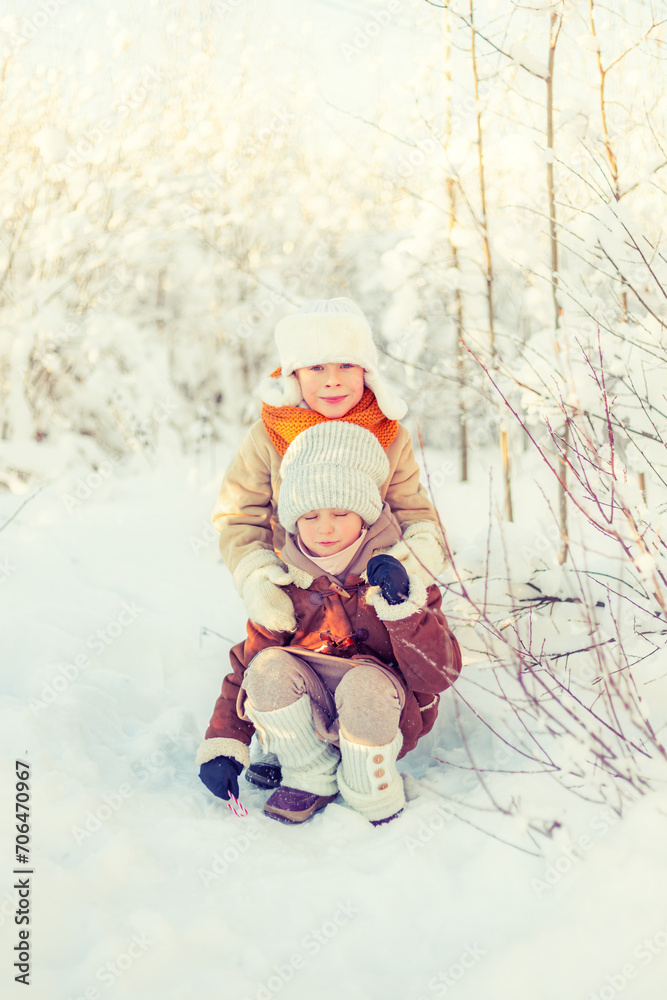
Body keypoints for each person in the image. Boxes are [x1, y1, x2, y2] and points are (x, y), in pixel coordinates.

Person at [211, 297, 450, 787]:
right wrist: (259, 578)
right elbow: (239, 515)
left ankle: (367, 741)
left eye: (347, 365)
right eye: (316, 366)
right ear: (293, 374)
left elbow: (415, 513)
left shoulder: (389, 434)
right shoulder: (268, 435)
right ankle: (293, 742)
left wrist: (406, 571)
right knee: (273, 659)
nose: (333, 379)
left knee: (369, 671)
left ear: (367, 370)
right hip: (300, 582)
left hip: (370, 580)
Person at [197, 422, 462, 826]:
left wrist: (403, 608)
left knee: (363, 683)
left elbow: (438, 675)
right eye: (310, 515)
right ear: (292, 520)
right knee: (266, 668)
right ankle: (309, 772)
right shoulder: (284, 582)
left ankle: (367, 784)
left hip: (384, 713)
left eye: (340, 513)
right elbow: (246, 668)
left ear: (366, 516)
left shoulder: (400, 573)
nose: (325, 527)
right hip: (310, 710)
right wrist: (225, 743)